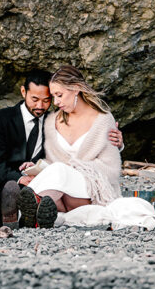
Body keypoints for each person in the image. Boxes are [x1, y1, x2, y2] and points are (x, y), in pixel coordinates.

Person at [0, 67, 123, 228]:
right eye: (35, 99)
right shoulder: (7, 119)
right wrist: (27, 174)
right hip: (19, 182)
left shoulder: (61, 121)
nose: (42, 105)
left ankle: (17, 210)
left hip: (68, 185)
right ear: (23, 92)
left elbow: (105, 162)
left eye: (47, 100)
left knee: (54, 174)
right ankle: (7, 212)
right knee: (9, 188)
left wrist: (118, 144)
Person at [17, 64, 122, 229]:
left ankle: (31, 205)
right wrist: (38, 169)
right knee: (56, 170)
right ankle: (36, 210)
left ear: (76, 89)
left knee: (60, 170)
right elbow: (51, 162)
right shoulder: (51, 121)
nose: (56, 102)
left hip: (89, 194)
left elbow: (113, 170)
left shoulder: (103, 120)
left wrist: (73, 168)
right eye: (53, 96)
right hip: (59, 197)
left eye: (59, 95)